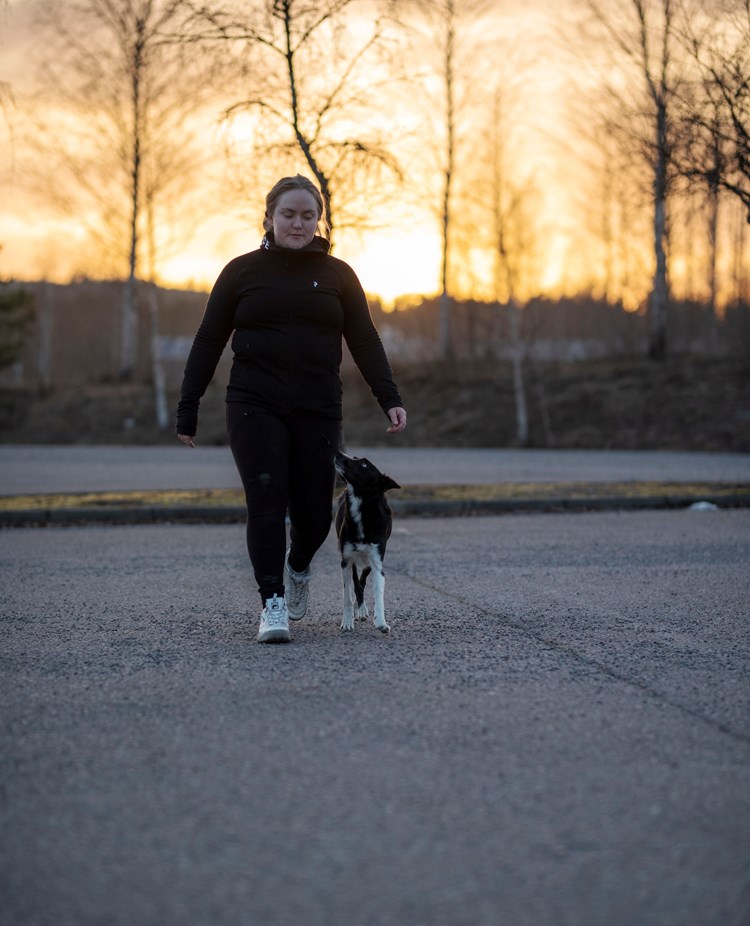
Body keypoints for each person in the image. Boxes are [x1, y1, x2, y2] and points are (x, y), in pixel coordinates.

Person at [176, 174, 407, 643]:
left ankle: (297, 565)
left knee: (316, 515)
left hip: (318, 407)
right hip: (252, 404)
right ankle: (272, 603)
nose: (298, 223)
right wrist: (189, 404)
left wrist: (390, 397)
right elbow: (208, 339)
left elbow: (363, 338)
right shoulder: (241, 272)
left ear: (317, 221)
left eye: (307, 215)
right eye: (288, 214)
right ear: (269, 218)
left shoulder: (339, 275)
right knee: (265, 501)